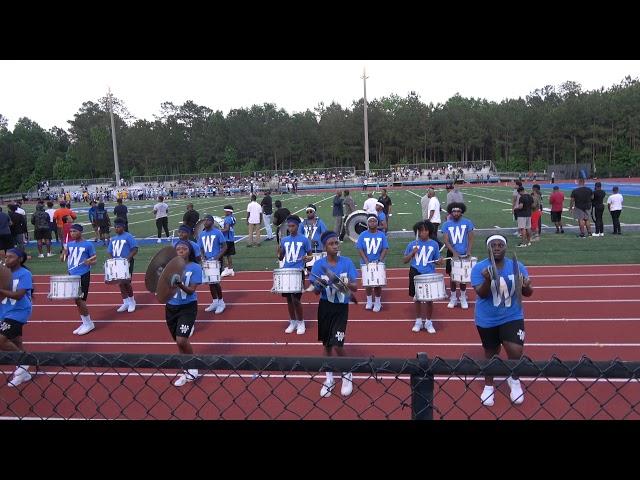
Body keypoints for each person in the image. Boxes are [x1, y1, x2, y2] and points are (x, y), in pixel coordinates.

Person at [471, 235, 534, 407]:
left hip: (512, 315)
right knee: (491, 352)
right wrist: (487, 279)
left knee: (515, 349)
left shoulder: (517, 266)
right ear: (488, 248)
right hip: (487, 318)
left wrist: (526, 285)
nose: (497, 247)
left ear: (505, 248)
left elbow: (528, 293)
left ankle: (513, 379)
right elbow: (482, 294)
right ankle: (489, 386)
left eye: (500, 245)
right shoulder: (479, 268)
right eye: (493, 245)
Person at [308, 231, 358, 398]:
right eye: (331, 244)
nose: (335, 246)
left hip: (340, 309)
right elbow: (315, 292)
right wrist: (319, 285)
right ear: (325, 247)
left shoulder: (347, 262)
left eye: (337, 243)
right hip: (325, 307)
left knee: (338, 345)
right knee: (327, 346)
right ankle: (329, 378)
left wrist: (339, 282)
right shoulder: (318, 265)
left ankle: (347, 373)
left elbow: (355, 287)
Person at [165, 241, 203, 387]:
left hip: (187, 307)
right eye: (178, 248)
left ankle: (193, 367)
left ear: (189, 251)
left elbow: (191, 290)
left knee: (182, 340)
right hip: (171, 307)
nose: (181, 250)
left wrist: (179, 283)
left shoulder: (195, 267)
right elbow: (163, 287)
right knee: (179, 342)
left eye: (184, 248)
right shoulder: (170, 267)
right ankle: (186, 370)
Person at [0, 248, 33, 387]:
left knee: (1, 340)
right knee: (16, 341)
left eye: (11, 257)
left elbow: (19, 295)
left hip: (19, 311)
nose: (7, 259)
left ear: (19, 259)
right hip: (5, 311)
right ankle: (24, 374)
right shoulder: (3, 274)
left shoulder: (24, 273)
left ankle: (24, 362)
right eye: (6, 257)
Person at [403, 221, 443, 333]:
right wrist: (412, 253)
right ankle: (418, 321)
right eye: (420, 230)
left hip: (429, 273)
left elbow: (437, 260)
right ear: (417, 232)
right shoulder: (412, 244)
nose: (423, 232)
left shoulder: (434, 244)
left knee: (429, 300)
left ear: (429, 231)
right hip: (415, 272)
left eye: (425, 230)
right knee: (417, 298)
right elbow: (405, 260)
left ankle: (429, 322)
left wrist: (440, 261)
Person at [278, 215, 312, 334]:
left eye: (293, 226)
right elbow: (281, 257)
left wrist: (307, 258)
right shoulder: (284, 240)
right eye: (289, 226)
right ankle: (292, 321)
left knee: (296, 299)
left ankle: (301, 322)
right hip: (287, 271)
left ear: (297, 226)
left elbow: (310, 255)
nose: (290, 228)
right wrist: (279, 252)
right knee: (288, 299)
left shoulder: (304, 239)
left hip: (298, 271)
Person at [64, 224, 97, 336]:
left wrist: (89, 262)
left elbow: (94, 260)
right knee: (76, 300)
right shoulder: (69, 244)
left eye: (74, 231)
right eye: (71, 231)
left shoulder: (88, 245)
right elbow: (65, 258)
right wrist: (63, 253)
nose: (72, 233)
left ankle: (89, 323)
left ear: (80, 232)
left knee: (80, 299)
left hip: (83, 274)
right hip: (72, 273)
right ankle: (85, 322)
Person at [441, 202, 474, 309]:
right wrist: (454, 252)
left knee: (463, 277)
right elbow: (446, 240)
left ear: (462, 212)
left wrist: (468, 251)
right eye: (454, 211)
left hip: (464, 253)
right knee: (452, 277)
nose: (456, 213)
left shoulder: (468, 222)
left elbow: (470, 238)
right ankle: (453, 297)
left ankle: (463, 297)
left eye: (458, 211)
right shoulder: (446, 224)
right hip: (452, 253)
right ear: (451, 212)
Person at [356, 215, 389, 312]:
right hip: (366, 263)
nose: (373, 223)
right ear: (367, 223)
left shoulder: (381, 235)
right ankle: (369, 301)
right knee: (368, 283)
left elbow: (385, 248)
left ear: (377, 223)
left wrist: (380, 260)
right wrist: (365, 260)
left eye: (374, 221)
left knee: (378, 283)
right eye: (370, 221)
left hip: (378, 262)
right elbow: (360, 248)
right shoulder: (362, 235)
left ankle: (378, 302)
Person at [107, 218, 138, 313]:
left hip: (126, 262)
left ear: (123, 227)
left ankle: (132, 301)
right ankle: (125, 302)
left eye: (118, 227)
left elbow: (135, 249)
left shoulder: (128, 236)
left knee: (126, 283)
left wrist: (127, 259)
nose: (116, 229)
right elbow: (110, 251)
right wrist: (113, 260)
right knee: (120, 283)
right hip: (117, 263)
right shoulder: (113, 239)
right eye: (115, 227)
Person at [198, 215, 227, 314]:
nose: (205, 222)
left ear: (212, 221)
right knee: (210, 282)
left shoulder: (218, 232)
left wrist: (217, 257)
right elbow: (201, 248)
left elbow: (224, 246)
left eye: (207, 220)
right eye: (204, 220)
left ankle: (221, 302)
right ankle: (215, 301)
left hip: (216, 260)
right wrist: (202, 257)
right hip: (207, 261)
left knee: (216, 282)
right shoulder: (202, 234)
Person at [220, 206, 237, 277]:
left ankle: (226, 269)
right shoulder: (233, 217)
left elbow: (226, 229)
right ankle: (231, 269)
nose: (225, 212)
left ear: (229, 211)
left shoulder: (227, 219)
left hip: (226, 239)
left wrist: (219, 231)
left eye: (226, 211)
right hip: (231, 238)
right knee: (229, 255)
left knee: (223, 255)